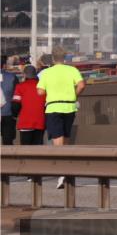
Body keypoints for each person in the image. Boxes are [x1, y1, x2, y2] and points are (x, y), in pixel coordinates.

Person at [37, 47, 85, 188]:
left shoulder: (46, 72)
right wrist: (73, 95)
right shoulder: (72, 70)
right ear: (64, 58)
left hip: (53, 107)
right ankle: (67, 170)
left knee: (58, 141)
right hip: (69, 107)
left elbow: (40, 92)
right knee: (66, 138)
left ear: (53, 58)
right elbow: (81, 85)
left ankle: (62, 173)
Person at [11, 65, 45, 145]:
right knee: (38, 147)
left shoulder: (20, 86)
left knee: (25, 148)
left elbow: (15, 104)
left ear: (24, 74)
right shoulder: (42, 87)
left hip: (25, 122)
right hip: (40, 121)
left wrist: (14, 115)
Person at [1, 55, 19, 145]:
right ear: (4, 65)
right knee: (8, 142)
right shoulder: (12, 77)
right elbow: (17, 97)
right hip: (8, 113)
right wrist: (15, 114)